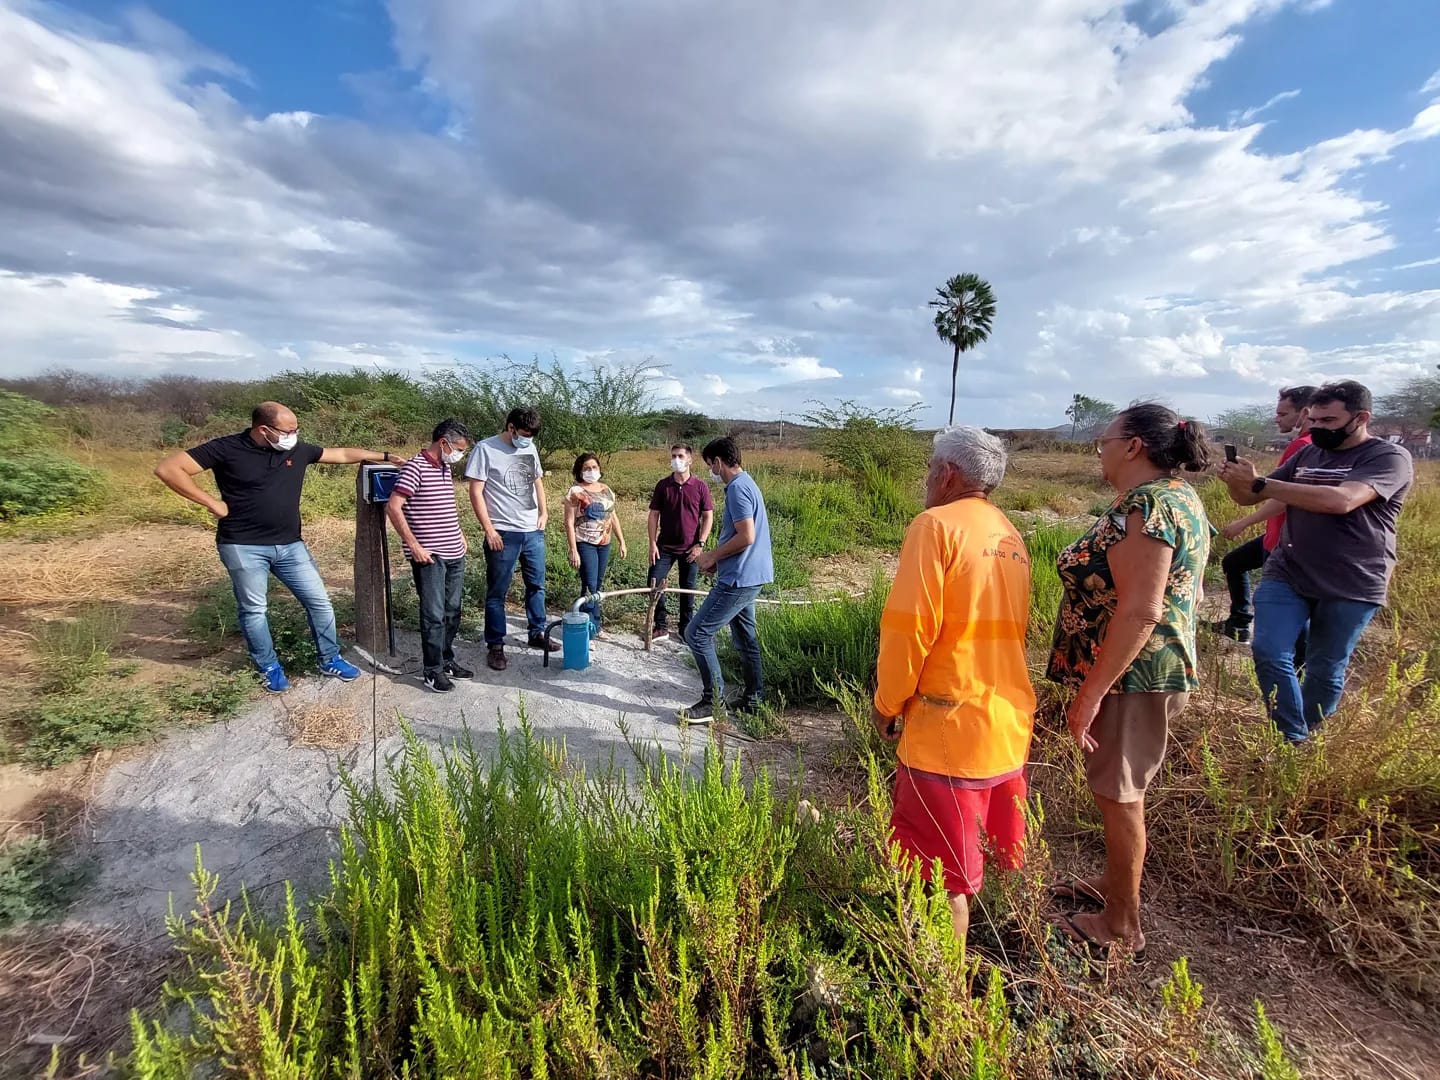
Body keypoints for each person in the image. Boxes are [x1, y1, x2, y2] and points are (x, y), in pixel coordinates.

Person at [1047, 404, 1212, 956]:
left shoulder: (1150, 504)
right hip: (1143, 671)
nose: (1102, 449)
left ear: (1135, 445)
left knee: (1120, 795)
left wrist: (1090, 693)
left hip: (1132, 677)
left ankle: (1121, 925)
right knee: (1119, 791)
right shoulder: (1177, 498)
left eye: (1106, 440)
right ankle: (1115, 888)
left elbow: (1141, 610)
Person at [869, 426, 1036, 945]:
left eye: (928, 468)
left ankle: (940, 1003)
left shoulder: (935, 525)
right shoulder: (1009, 534)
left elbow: (909, 628)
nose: (925, 478)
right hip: (1003, 727)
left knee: (938, 879)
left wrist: (886, 703)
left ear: (946, 474)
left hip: (946, 731)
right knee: (974, 865)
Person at [1219, 380, 1413, 743]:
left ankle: (1302, 738)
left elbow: (1341, 500)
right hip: (1289, 572)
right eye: (1315, 419)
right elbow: (1247, 499)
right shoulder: (1307, 455)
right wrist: (1237, 481)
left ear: (1361, 418)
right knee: (1269, 650)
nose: (1319, 427)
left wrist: (1259, 484)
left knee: (1324, 669)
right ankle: (1292, 740)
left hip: (1352, 581)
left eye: (1329, 420)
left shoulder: (1387, 458)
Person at [154, 402, 390, 692]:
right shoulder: (226, 448)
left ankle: (329, 658)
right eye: (287, 431)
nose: (293, 435)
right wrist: (211, 502)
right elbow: (169, 468)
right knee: (254, 610)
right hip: (243, 546)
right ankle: (269, 667)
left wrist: (386, 456)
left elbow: (340, 454)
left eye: (296, 430)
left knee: (320, 602)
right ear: (263, 429)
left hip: (291, 546)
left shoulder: (296, 450)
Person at [1212, 386, 1316, 644]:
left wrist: (1243, 521)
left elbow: (1282, 497)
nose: (1277, 418)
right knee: (1234, 562)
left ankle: (1292, 665)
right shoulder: (1309, 446)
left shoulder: (1303, 446)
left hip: (1283, 541)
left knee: (1288, 608)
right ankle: (1239, 623)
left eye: (1283, 413)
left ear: (1304, 413)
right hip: (1284, 535)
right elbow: (1264, 492)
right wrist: (1239, 482)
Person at [684, 437, 773, 721]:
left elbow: (747, 535)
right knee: (746, 639)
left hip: (738, 579)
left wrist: (711, 557)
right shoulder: (748, 483)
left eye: (710, 465)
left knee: (696, 633)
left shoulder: (736, 489)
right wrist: (719, 558)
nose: (711, 470)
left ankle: (713, 701)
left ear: (718, 462)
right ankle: (753, 699)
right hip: (749, 575)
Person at [465, 407, 555, 671]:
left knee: (537, 585)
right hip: (503, 531)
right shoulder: (485, 449)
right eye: (524, 434)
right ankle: (495, 645)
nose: (527, 440)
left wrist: (544, 512)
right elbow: (476, 491)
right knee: (497, 592)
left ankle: (537, 633)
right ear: (511, 427)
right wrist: (489, 530)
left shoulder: (530, 448)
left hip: (532, 531)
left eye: (531, 436)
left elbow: (537, 480)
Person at [386, 419, 472, 693]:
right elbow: (394, 507)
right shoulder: (415, 467)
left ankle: (446, 660)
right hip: (430, 556)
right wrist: (413, 544)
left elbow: (443, 507)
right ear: (443, 443)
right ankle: (432, 670)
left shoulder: (444, 468)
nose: (460, 455)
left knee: (452, 610)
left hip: (454, 551)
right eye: (458, 448)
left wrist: (459, 533)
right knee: (433, 615)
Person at [647, 444, 714, 643]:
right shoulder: (663, 485)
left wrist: (700, 543)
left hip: (691, 548)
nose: (677, 459)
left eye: (681, 456)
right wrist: (652, 543)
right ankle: (661, 626)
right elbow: (653, 515)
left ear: (690, 460)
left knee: (688, 588)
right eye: (674, 456)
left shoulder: (700, 486)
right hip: (664, 547)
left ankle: (686, 628)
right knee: (654, 582)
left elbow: (708, 516)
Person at [564, 452, 628, 638]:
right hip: (585, 543)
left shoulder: (606, 490)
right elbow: (568, 522)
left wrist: (621, 541)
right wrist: (573, 549)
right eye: (587, 468)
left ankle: (594, 624)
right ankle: (588, 630)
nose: (591, 471)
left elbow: (612, 516)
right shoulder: (575, 491)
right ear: (580, 471)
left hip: (604, 543)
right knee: (590, 585)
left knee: (597, 586)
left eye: (594, 467)